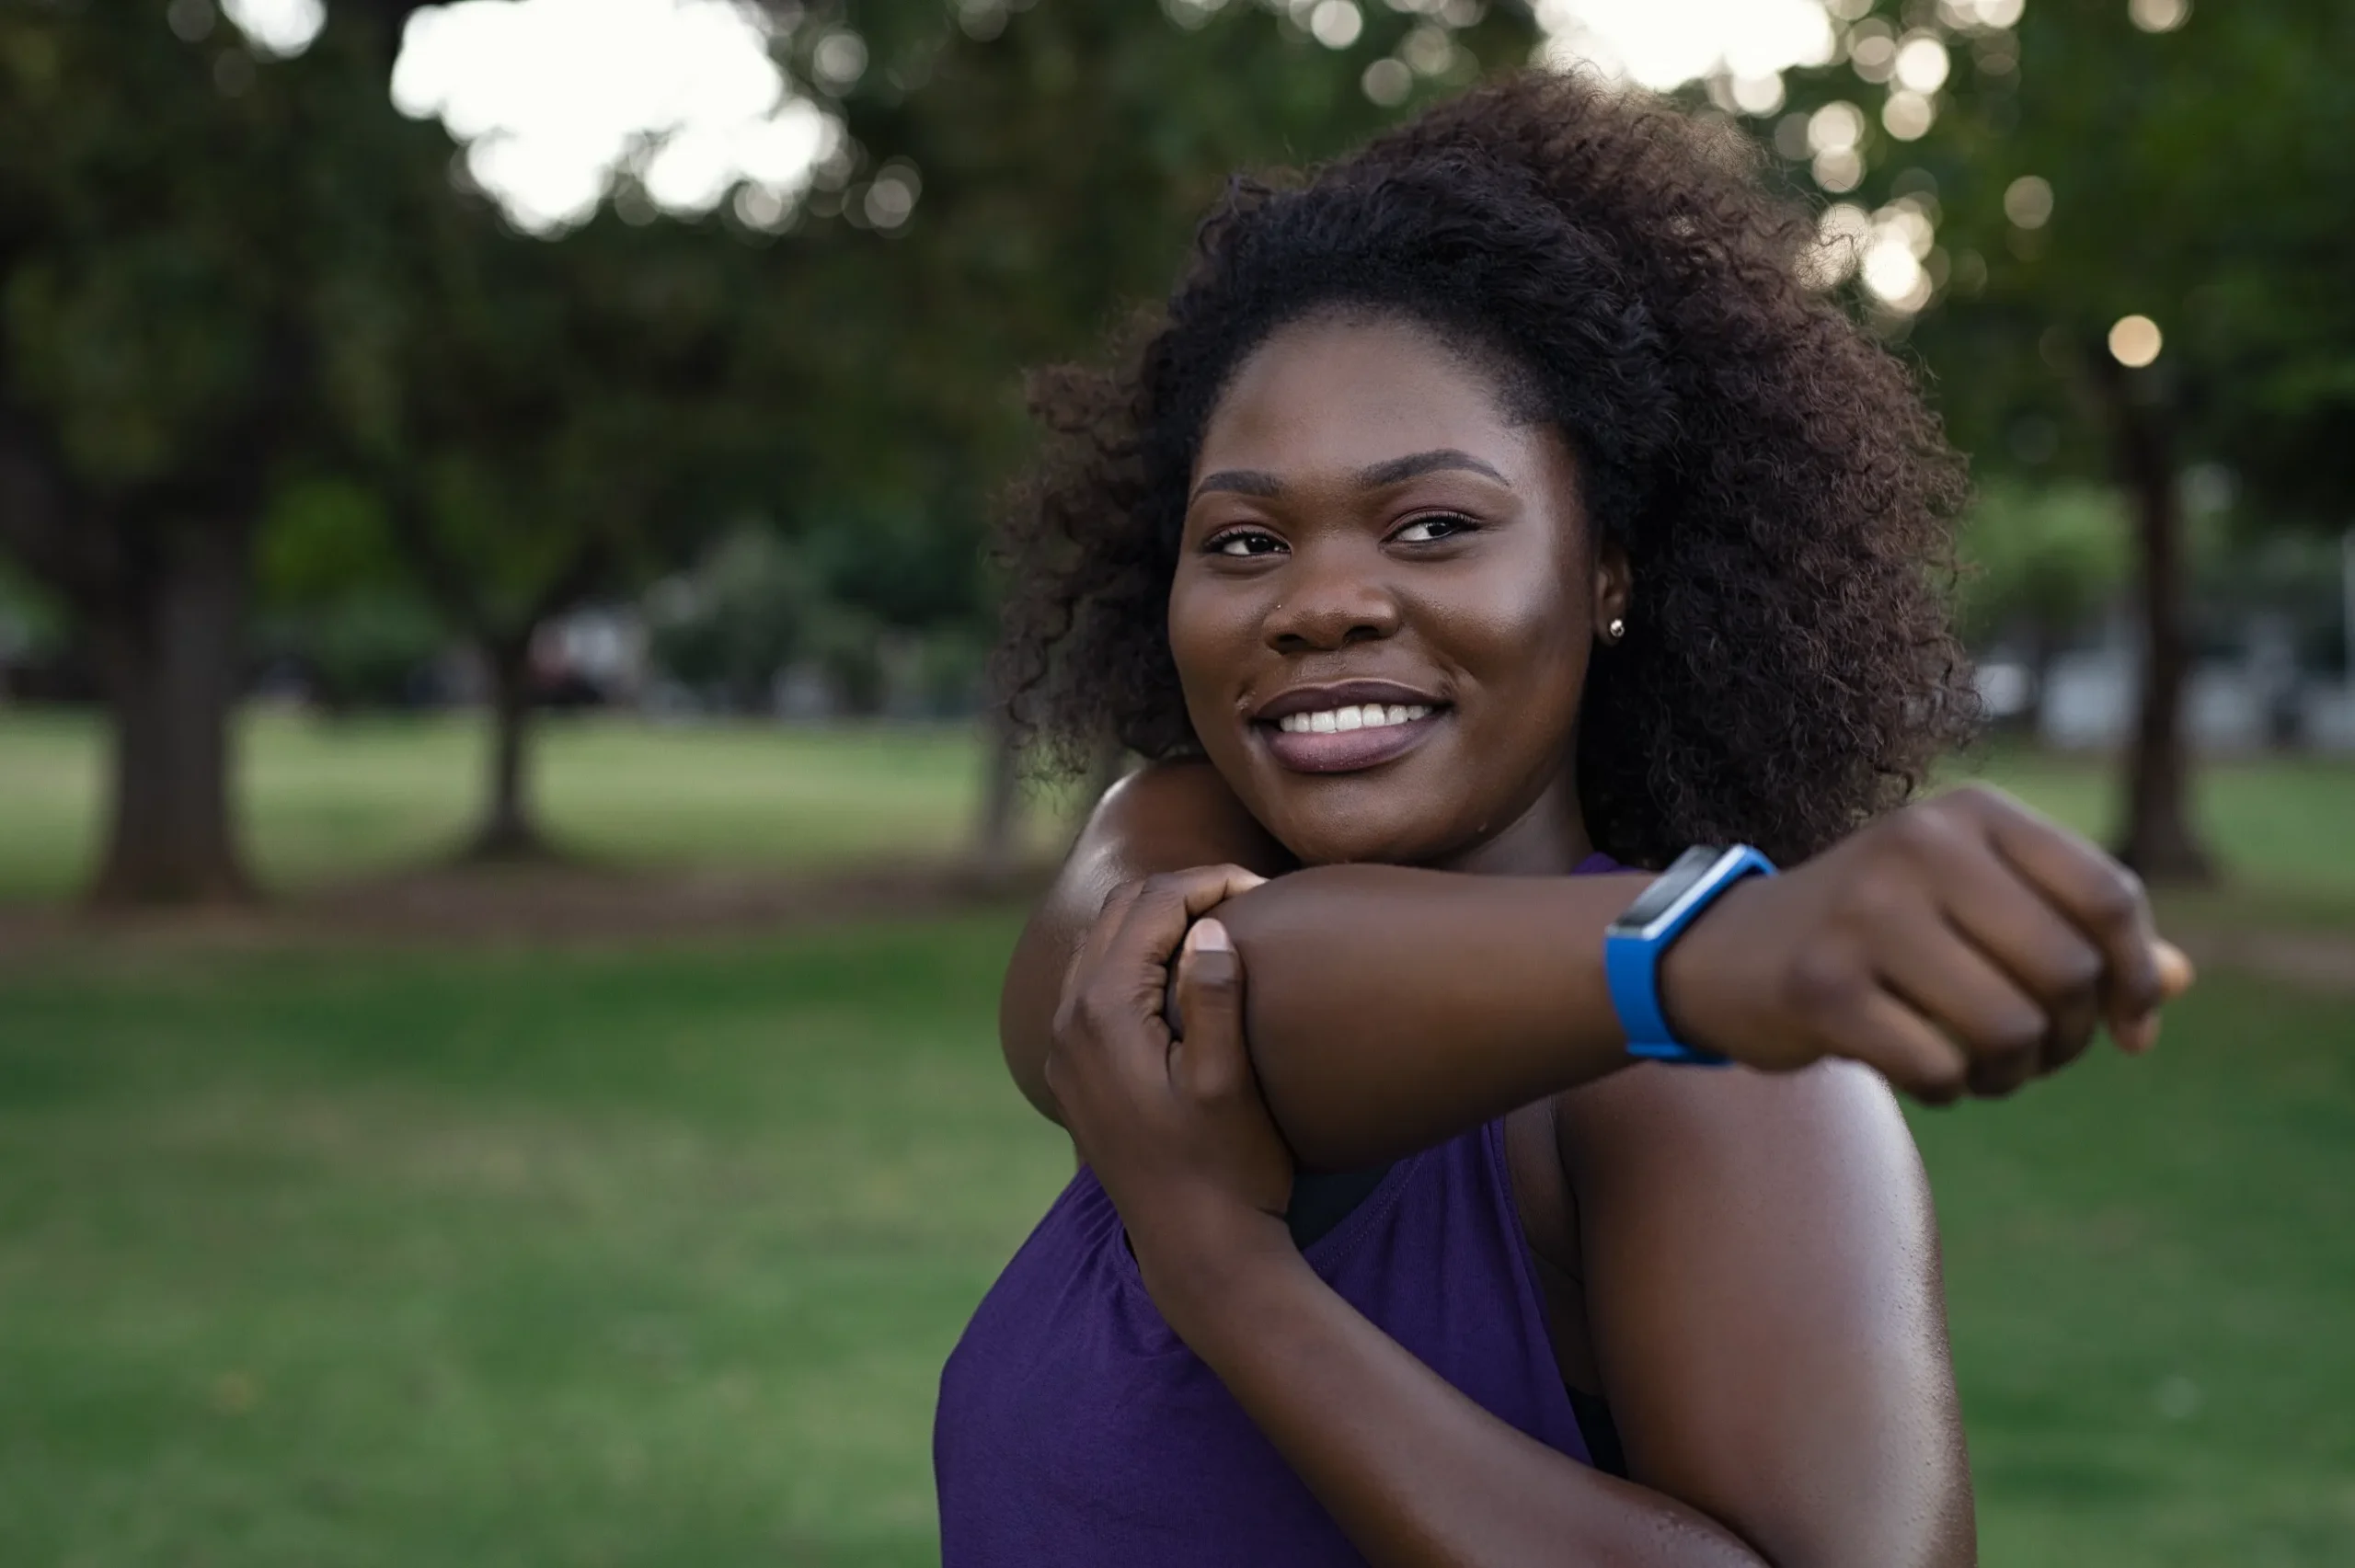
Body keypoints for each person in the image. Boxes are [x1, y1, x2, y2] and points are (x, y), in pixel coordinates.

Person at [934, 71, 2192, 1567]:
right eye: (1248, 541)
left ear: (1609, 573)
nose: (1323, 600)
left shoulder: (1733, 1090)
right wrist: (1713, 951)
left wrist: (1235, 1285)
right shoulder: (1161, 844)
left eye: (1436, 527)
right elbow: (1207, 989)